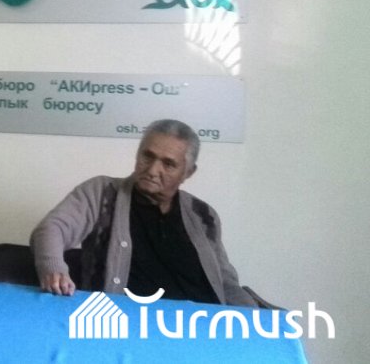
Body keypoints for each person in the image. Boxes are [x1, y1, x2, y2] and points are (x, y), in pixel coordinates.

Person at [31, 119, 254, 306]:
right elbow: (51, 229)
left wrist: (255, 318)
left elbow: (224, 281)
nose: (153, 170)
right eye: (147, 156)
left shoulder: (203, 214)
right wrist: (53, 268)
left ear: (188, 172)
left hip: (203, 326)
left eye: (168, 164)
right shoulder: (102, 192)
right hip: (128, 325)